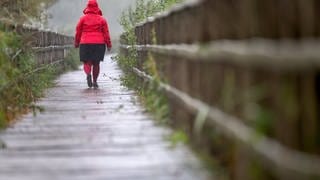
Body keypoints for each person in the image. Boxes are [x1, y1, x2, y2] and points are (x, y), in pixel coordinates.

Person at [74, 0, 112, 88]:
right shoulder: (102, 19)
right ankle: (95, 81)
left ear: (87, 7)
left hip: (85, 43)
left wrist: (76, 43)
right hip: (99, 43)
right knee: (96, 63)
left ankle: (88, 74)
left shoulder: (82, 19)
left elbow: (78, 32)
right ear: (97, 7)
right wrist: (109, 44)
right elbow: (106, 33)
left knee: (87, 62)